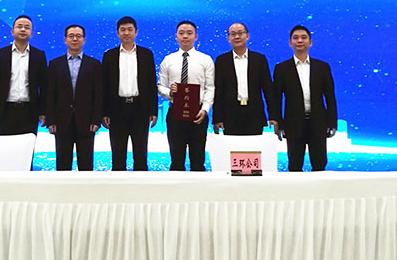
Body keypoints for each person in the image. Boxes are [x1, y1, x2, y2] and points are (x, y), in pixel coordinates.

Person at [273, 25, 337, 171]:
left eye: (304, 37)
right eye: (295, 38)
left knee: (320, 165)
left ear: (310, 42)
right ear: (290, 43)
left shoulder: (322, 67)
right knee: (294, 166)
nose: (300, 41)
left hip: (318, 123)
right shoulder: (281, 68)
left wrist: (332, 122)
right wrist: (279, 123)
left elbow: (330, 97)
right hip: (293, 124)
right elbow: (277, 99)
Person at [101, 16, 158, 171]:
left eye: (130, 29)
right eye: (123, 30)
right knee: (118, 156)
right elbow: (104, 86)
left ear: (136, 32)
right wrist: (104, 112)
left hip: (140, 109)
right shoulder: (109, 55)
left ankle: (141, 186)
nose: (126, 33)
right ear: (117, 33)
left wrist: (153, 110)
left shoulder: (146, 54)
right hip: (117, 109)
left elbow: (151, 84)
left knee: (141, 155)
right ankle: (118, 186)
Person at [158, 21, 214, 171]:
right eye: (181, 33)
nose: (185, 36)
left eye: (189, 33)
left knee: (198, 160)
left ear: (195, 36)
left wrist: (205, 109)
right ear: (176, 36)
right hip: (175, 113)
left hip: (198, 114)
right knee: (176, 161)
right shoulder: (168, 60)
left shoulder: (205, 59)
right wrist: (170, 92)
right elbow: (160, 86)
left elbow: (210, 87)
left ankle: (199, 186)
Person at [47, 24, 103, 171]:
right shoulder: (54, 64)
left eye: (78, 36)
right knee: (62, 165)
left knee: (86, 165)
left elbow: (98, 95)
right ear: (65, 39)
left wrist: (96, 120)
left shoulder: (94, 64)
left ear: (84, 40)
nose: (75, 39)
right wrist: (51, 120)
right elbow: (50, 94)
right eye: (71, 36)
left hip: (86, 122)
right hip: (61, 121)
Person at [213, 22, 278, 135]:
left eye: (240, 33)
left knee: (255, 146)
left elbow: (268, 89)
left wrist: (273, 116)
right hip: (230, 115)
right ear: (228, 38)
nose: (237, 37)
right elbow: (218, 91)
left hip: (254, 113)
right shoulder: (221, 61)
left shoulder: (259, 59)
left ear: (247, 36)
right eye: (233, 34)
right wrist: (217, 118)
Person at [0, 15, 47, 136]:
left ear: (31, 33)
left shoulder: (39, 55)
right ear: (12, 31)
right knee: (7, 146)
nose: (23, 29)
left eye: (27, 27)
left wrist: (43, 111)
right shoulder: (0, 54)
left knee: (28, 146)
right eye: (19, 27)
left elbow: (44, 87)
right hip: (6, 110)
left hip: (30, 111)